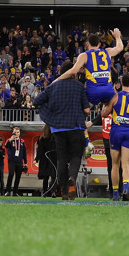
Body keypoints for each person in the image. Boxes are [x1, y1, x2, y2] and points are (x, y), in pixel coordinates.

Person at [33, 60, 91, 200]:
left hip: (58, 128)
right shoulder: (79, 86)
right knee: (76, 156)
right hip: (76, 126)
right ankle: (72, 178)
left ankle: (64, 192)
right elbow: (87, 110)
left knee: (62, 159)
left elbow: (36, 102)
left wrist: (50, 115)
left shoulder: (53, 86)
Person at [102, 73, 129, 201]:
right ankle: (126, 188)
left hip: (116, 130)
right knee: (125, 164)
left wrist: (105, 104)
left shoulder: (115, 96)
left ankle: (115, 193)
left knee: (115, 164)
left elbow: (104, 114)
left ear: (121, 82)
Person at [57, 28, 124, 106]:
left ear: (87, 44)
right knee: (107, 108)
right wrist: (117, 37)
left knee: (85, 109)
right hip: (108, 90)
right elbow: (120, 48)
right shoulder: (107, 52)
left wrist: (58, 79)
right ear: (99, 44)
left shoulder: (84, 55)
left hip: (93, 91)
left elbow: (73, 71)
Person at [4, 127, 27, 197]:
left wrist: (25, 163)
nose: (16, 134)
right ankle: (8, 191)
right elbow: (6, 146)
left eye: (18, 132)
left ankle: (15, 192)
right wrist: (10, 140)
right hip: (11, 161)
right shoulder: (10, 140)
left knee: (18, 177)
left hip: (19, 161)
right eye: (15, 132)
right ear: (12, 133)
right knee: (11, 174)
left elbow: (24, 152)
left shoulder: (22, 141)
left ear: (20, 133)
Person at [35, 125, 57, 196]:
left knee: (46, 176)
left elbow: (40, 150)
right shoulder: (55, 137)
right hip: (53, 158)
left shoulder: (41, 138)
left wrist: (37, 159)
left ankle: (45, 192)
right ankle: (53, 192)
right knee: (54, 176)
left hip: (45, 158)